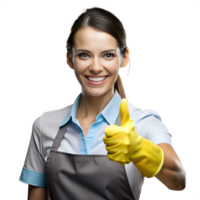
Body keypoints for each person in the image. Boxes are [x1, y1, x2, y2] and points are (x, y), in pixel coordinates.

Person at [17, 5, 187, 200]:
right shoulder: (43, 125)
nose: (96, 67)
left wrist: (141, 150)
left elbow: (179, 180)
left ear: (124, 58)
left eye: (108, 55)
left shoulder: (141, 122)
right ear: (69, 59)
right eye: (84, 55)